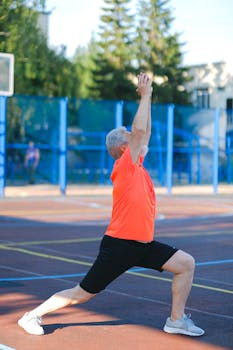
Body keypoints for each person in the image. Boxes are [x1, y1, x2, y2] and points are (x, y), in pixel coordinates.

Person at [18, 73, 204, 337]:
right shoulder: (125, 165)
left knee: (186, 263)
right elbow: (140, 131)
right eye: (131, 137)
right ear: (122, 148)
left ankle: (176, 320)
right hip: (120, 245)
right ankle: (31, 316)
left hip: (143, 244)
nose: (139, 139)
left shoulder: (137, 163)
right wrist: (146, 96)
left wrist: (147, 101)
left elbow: (144, 131)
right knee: (82, 294)